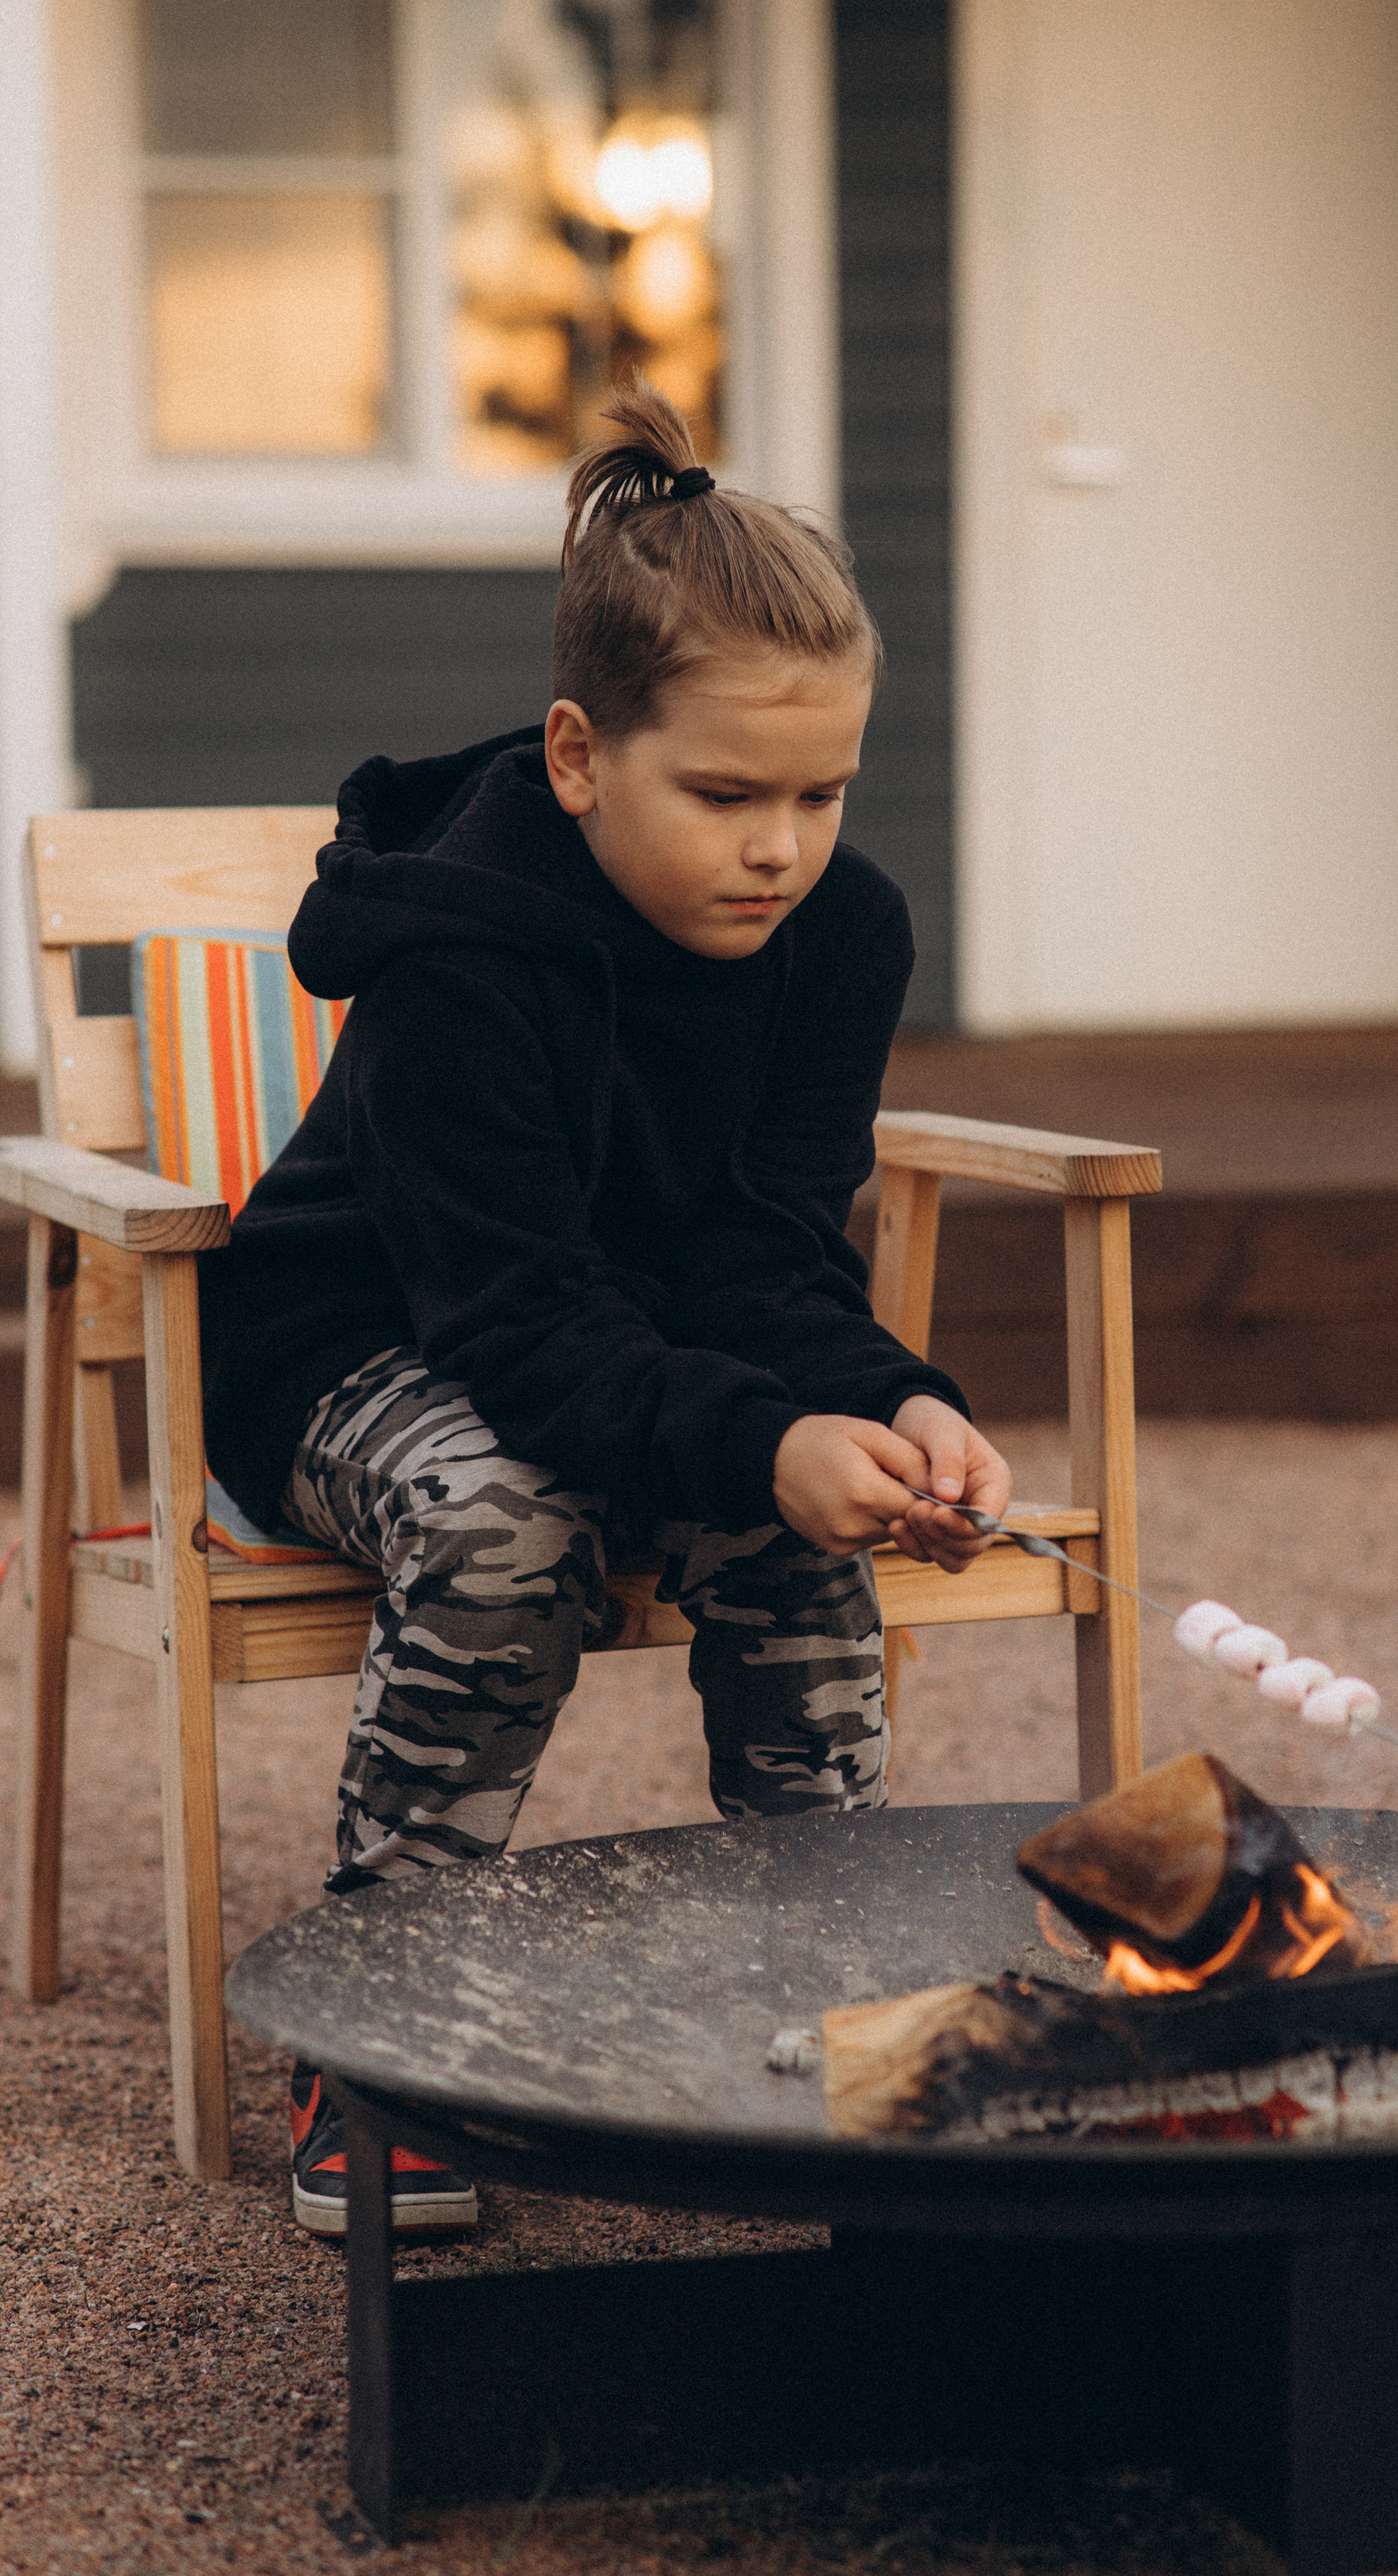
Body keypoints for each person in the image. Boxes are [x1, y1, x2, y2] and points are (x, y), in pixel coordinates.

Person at [199, 384, 1013, 2235]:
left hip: (607, 1333)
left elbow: (763, 1257)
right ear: (579, 756)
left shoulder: (842, 934)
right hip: (359, 1347)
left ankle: (831, 1985)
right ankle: (383, 2030)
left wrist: (881, 1400)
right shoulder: (462, 953)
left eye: (821, 795)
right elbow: (513, 1323)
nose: (778, 849)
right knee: (508, 1525)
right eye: (725, 795)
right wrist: (756, 1427)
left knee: (808, 1528)